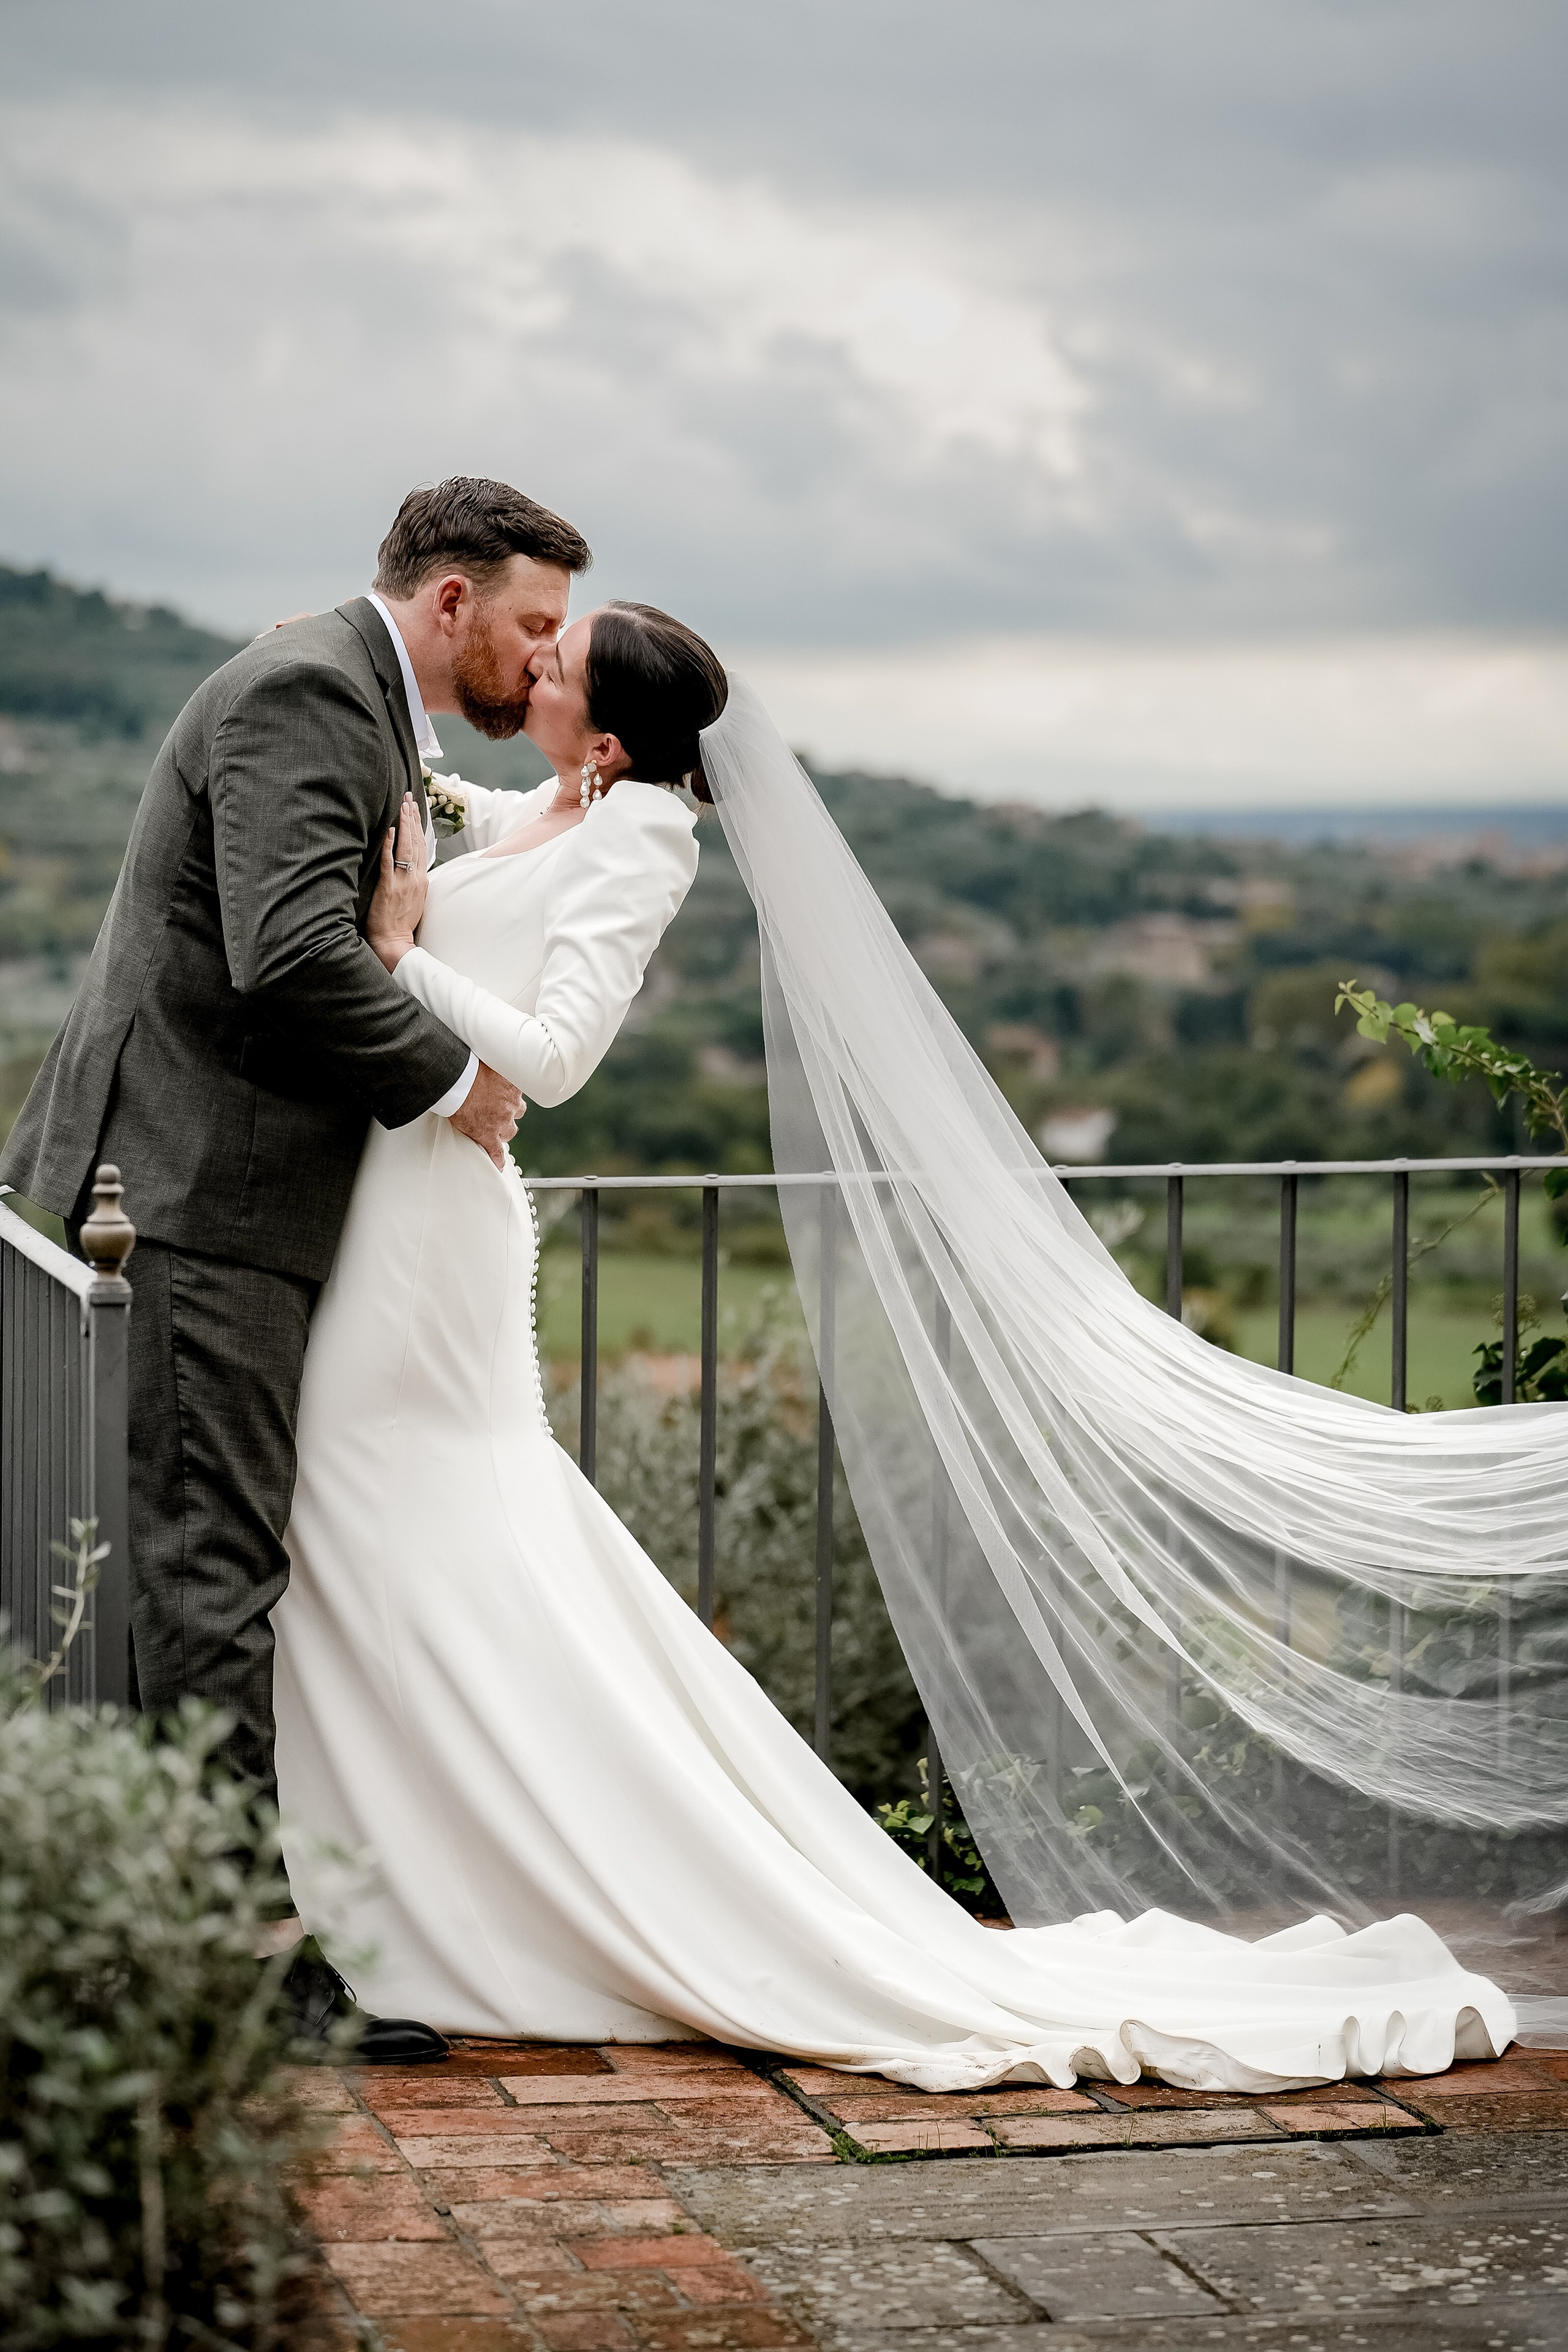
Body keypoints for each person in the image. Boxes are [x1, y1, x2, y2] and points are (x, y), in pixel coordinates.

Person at [273, 605, 1519, 2094]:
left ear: (608, 740)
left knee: (392, 1523)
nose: (527, 665)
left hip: (435, 1239)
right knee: (380, 1539)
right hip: (393, 1217)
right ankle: (416, 1870)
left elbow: (551, 1059)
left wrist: (403, 954)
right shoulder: (545, 804)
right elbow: (424, 801)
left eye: (554, 662)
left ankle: (444, 1887)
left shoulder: (641, 838)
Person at [0, 477, 590, 2062]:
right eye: (532, 626)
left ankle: (196, 1918)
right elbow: (288, 949)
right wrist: (461, 1087)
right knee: (208, 1569)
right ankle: (240, 1969)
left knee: (212, 1560)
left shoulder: (338, 687)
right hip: (192, 1191)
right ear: (452, 600)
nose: (543, 666)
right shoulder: (311, 688)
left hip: (209, 1184)